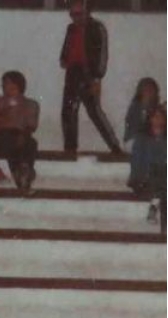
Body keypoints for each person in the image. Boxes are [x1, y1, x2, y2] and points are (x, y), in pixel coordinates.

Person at [59, 0, 123, 155]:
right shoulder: (71, 28)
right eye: (72, 14)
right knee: (68, 111)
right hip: (72, 72)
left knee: (94, 111)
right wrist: (63, 58)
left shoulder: (97, 28)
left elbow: (102, 54)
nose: (75, 18)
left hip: (88, 73)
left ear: (87, 12)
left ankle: (114, 146)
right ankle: (70, 148)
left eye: (78, 13)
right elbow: (67, 45)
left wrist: (97, 78)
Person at [0, 70, 40, 195]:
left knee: (31, 144)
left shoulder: (31, 104)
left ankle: (25, 171)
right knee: (8, 140)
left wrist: (23, 135)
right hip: (3, 135)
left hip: (22, 133)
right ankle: (19, 174)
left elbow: (32, 125)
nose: (5, 86)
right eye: (4, 84)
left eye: (8, 83)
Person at [124, 78, 159, 194]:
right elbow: (134, 126)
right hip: (134, 139)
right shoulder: (135, 107)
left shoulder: (157, 109)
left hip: (150, 140)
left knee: (148, 144)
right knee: (141, 142)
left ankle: (146, 179)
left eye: (151, 90)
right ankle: (136, 178)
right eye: (145, 90)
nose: (148, 93)